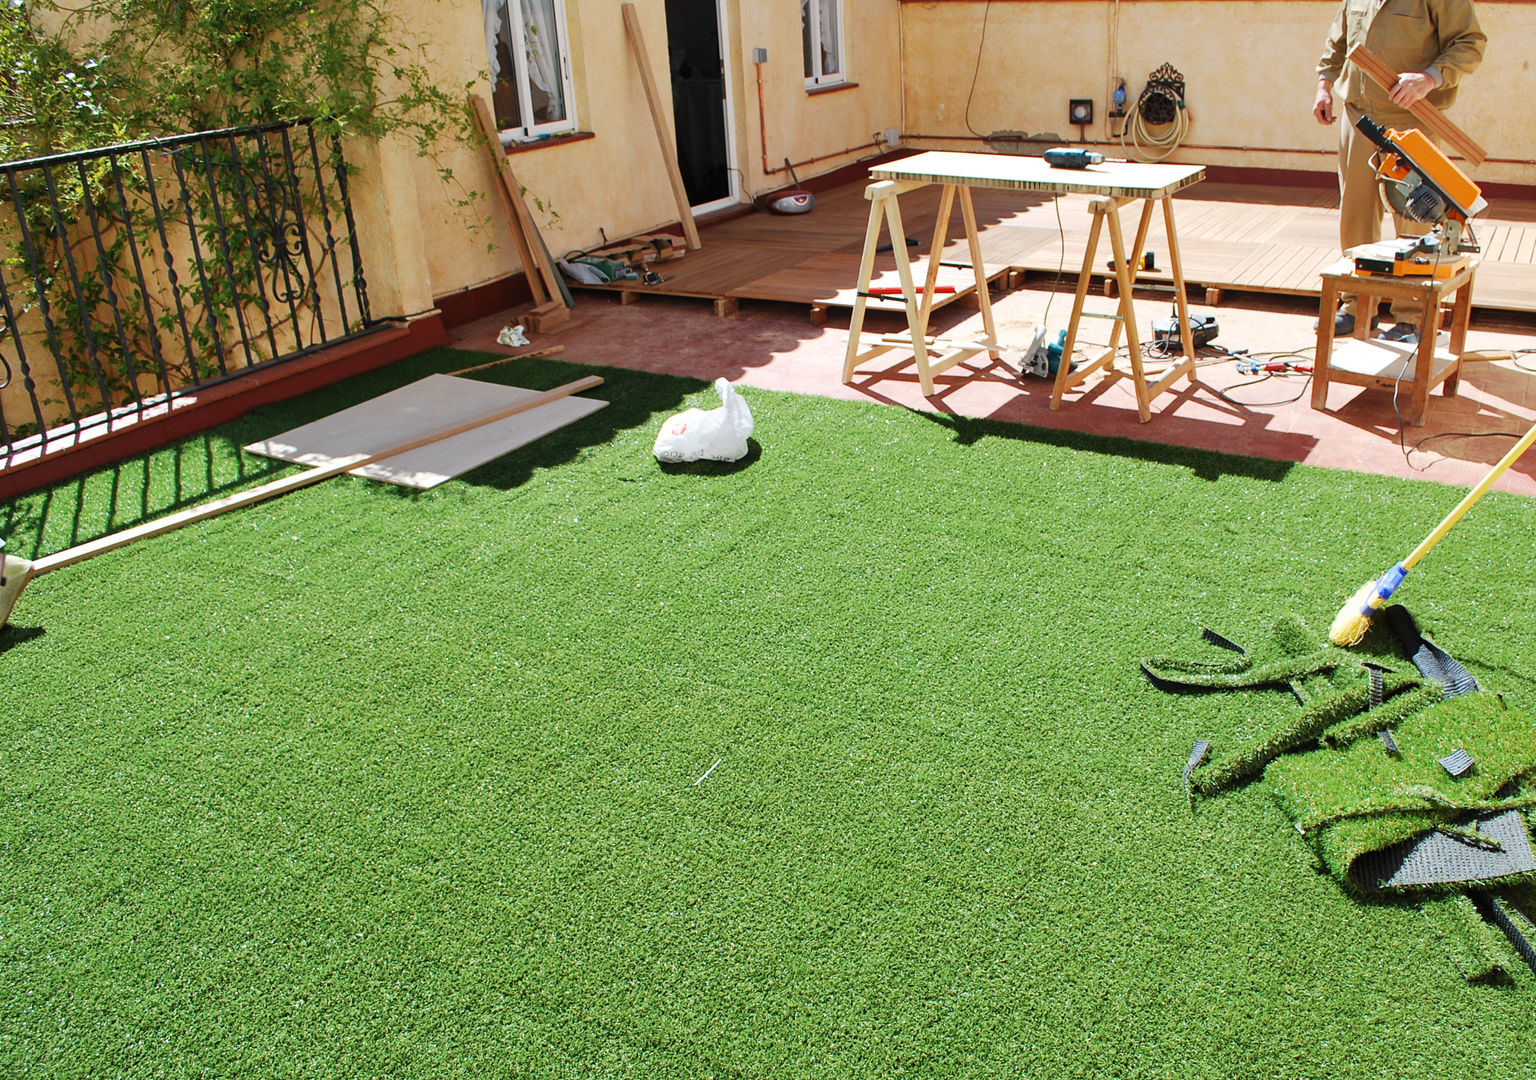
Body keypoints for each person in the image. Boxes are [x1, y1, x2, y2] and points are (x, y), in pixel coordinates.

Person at [1312, 0, 1486, 341]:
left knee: (1416, 217)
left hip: (1412, 121)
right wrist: (1324, 83)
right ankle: (1357, 305)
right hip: (1358, 116)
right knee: (1356, 214)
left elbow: (1470, 43)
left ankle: (1413, 316)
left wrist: (1428, 78)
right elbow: (1339, 36)